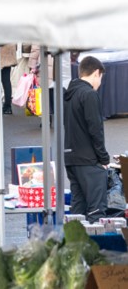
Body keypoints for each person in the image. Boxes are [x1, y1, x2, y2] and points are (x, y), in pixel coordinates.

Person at [66, 55, 111, 219]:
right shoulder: (89, 94)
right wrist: (104, 159)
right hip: (88, 160)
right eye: (100, 78)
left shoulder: (69, 94)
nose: (100, 83)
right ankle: (94, 244)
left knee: (78, 210)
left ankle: (74, 244)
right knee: (95, 211)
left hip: (71, 158)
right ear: (96, 73)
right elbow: (95, 130)